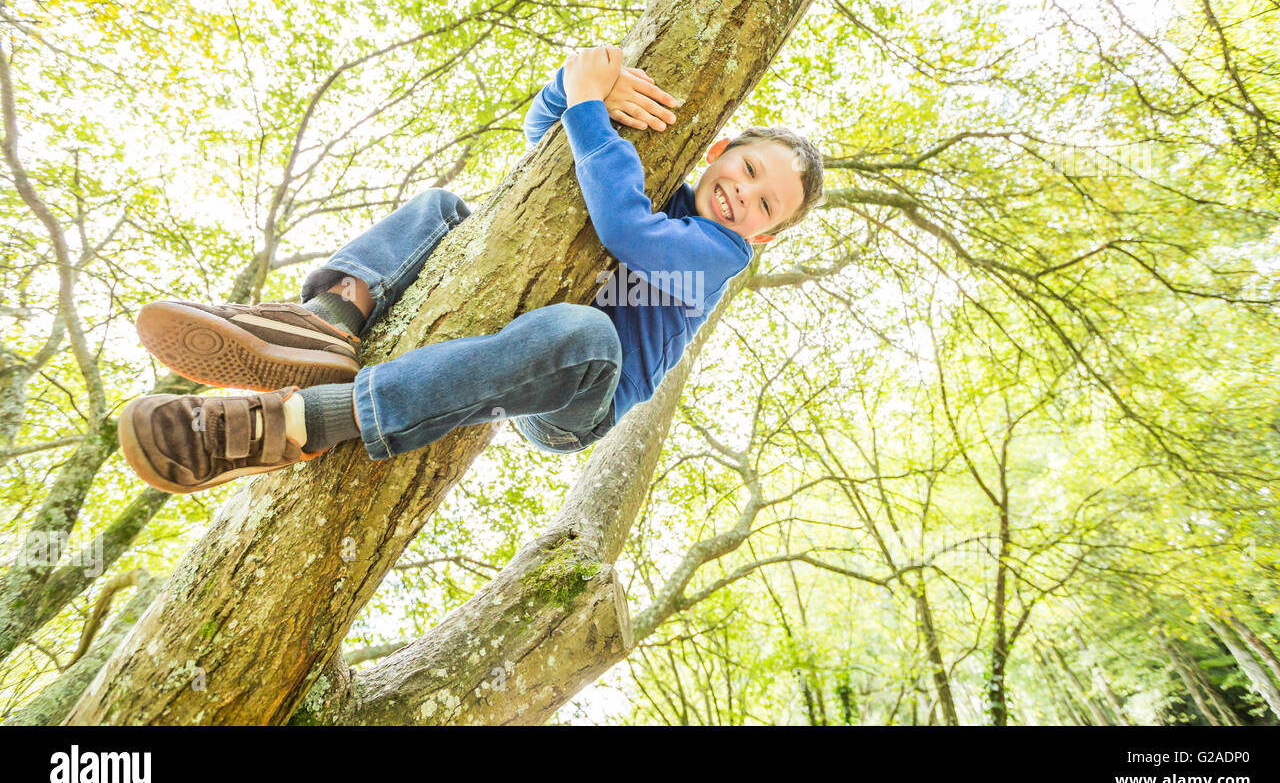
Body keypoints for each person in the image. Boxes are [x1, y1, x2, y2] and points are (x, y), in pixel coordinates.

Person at [117, 46, 824, 493]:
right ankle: (329, 318)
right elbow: (544, 150)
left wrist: (587, 106)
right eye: (750, 168)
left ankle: (295, 424)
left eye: (766, 204)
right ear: (721, 146)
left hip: (579, 396)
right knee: (446, 209)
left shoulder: (718, 256)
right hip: (532, 325)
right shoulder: (661, 169)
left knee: (586, 336)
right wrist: (570, 90)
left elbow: (624, 228)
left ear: (762, 239)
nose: (744, 194)